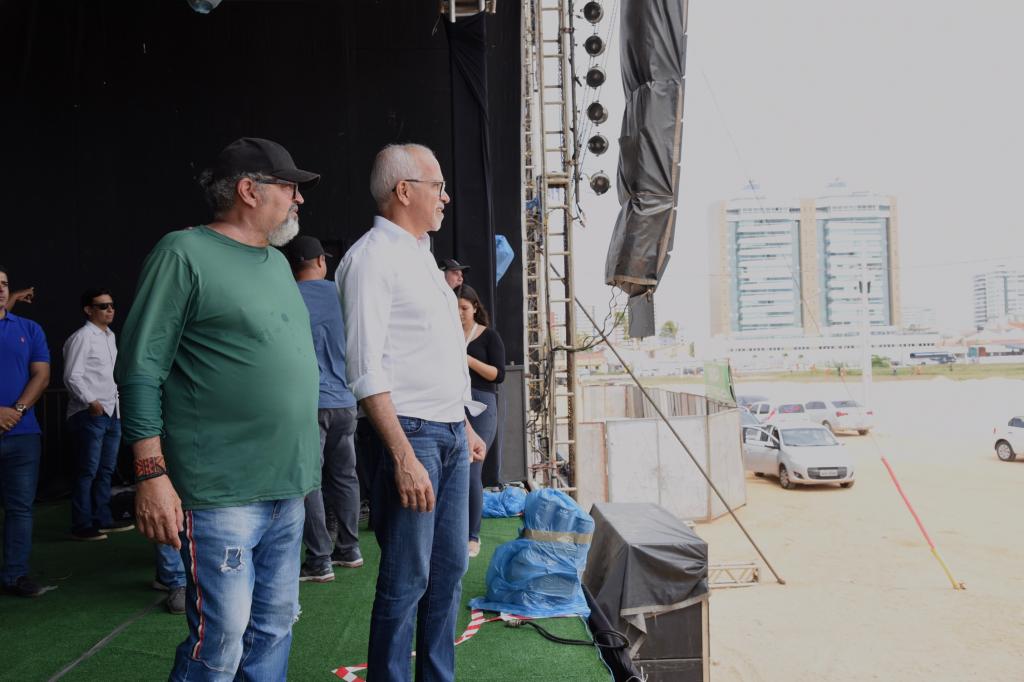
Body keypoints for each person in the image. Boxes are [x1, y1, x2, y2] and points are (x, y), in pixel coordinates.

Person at [114, 137, 322, 679]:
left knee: (275, 625)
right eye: (289, 187)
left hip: (288, 487)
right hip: (220, 492)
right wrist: (150, 473)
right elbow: (140, 369)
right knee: (223, 640)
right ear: (250, 190)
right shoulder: (182, 253)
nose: (299, 199)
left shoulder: (277, 263)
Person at [337, 143, 486, 682]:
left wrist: (463, 424)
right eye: (437, 186)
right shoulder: (370, 259)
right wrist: (402, 456)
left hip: (447, 434)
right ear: (404, 191)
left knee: (448, 574)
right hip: (411, 437)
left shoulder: (422, 255)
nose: (446, 197)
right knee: (406, 579)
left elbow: (435, 354)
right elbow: (365, 369)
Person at [283, 235, 363, 583]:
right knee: (345, 476)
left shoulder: (285, 295)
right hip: (346, 400)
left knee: (308, 481)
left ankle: (319, 559)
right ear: (320, 261)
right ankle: (349, 548)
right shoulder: (343, 294)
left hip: (308, 404)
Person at [63, 288, 134, 541]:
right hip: (90, 413)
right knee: (87, 471)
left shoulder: (110, 336)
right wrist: (91, 402)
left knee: (105, 470)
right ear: (88, 309)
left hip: (112, 412)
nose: (110, 309)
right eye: (103, 306)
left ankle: (102, 519)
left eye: (112, 305)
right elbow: (72, 376)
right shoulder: (82, 337)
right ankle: (82, 525)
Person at [0, 266, 51, 598]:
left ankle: (14, 575)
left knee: (20, 509)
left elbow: (41, 376)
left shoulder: (29, 329)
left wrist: (16, 411)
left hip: (23, 434)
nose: (1, 289)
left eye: (4, 284)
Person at [456, 284, 506, 558]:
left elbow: (498, 375)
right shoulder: (447, 334)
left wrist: (467, 359)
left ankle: (472, 536)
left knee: (473, 468)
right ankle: (454, 531)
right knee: (455, 469)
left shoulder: (489, 336)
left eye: (464, 308)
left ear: (475, 308)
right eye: (455, 308)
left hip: (482, 404)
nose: (459, 313)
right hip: (453, 402)